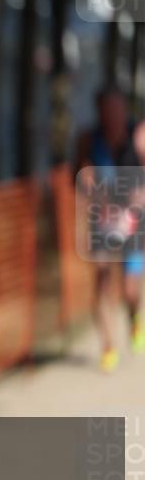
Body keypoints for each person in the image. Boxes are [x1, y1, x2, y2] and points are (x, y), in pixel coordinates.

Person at [75, 85, 145, 373]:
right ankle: (107, 345)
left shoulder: (138, 136)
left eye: (119, 109)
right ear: (101, 112)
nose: (114, 115)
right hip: (103, 219)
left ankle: (134, 318)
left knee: (129, 290)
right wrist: (90, 187)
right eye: (109, 110)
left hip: (133, 221)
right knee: (102, 279)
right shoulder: (90, 140)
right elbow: (79, 176)